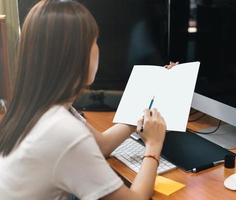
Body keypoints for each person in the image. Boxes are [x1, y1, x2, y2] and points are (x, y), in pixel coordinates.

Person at [0, 0, 176, 199]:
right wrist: (153, 146)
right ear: (77, 55)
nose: (98, 49)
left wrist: (156, 88)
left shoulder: (37, 106)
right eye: (95, 42)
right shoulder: (62, 130)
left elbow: (102, 146)